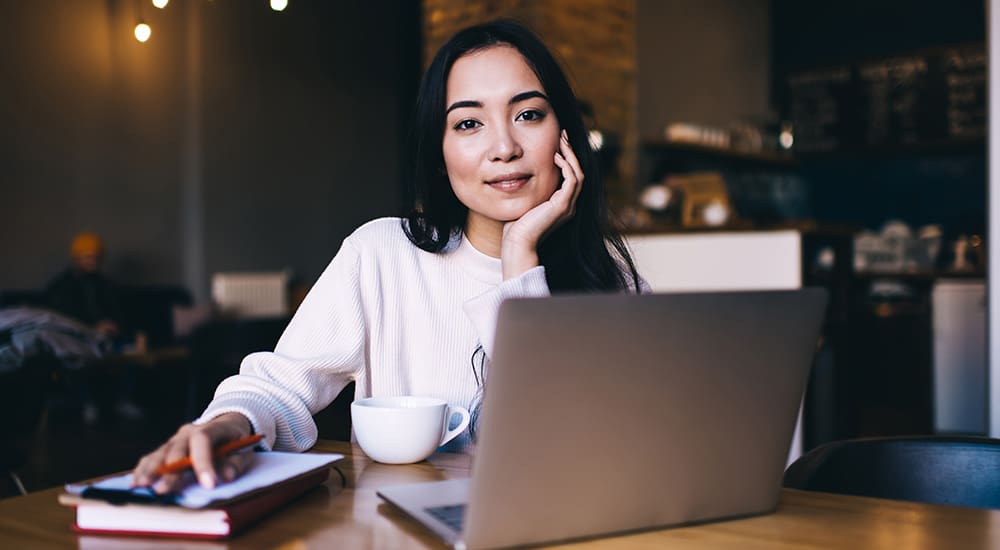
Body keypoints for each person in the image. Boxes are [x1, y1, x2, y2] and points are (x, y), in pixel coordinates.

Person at [133, 19, 646, 493]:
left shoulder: (609, 277)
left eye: (529, 114)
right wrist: (227, 424)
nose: (505, 146)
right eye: (469, 124)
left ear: (565, 136)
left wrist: (519, 257)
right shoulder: (381, 254)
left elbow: (570, 453)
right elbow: (279, 385)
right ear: (440, 155)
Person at [45, 232, 144, 423]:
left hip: (108, 338)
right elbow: (62, 320)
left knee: (131, 351)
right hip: (79, 337)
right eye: (87, 257)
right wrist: (92, 328)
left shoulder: (104, 284)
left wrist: (113, 325)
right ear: (76, 258)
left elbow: (116, 311)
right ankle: (87, 402)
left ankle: (124, 399)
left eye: (97, 257)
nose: (93, 261)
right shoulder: (63, 287)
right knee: (80, 355)